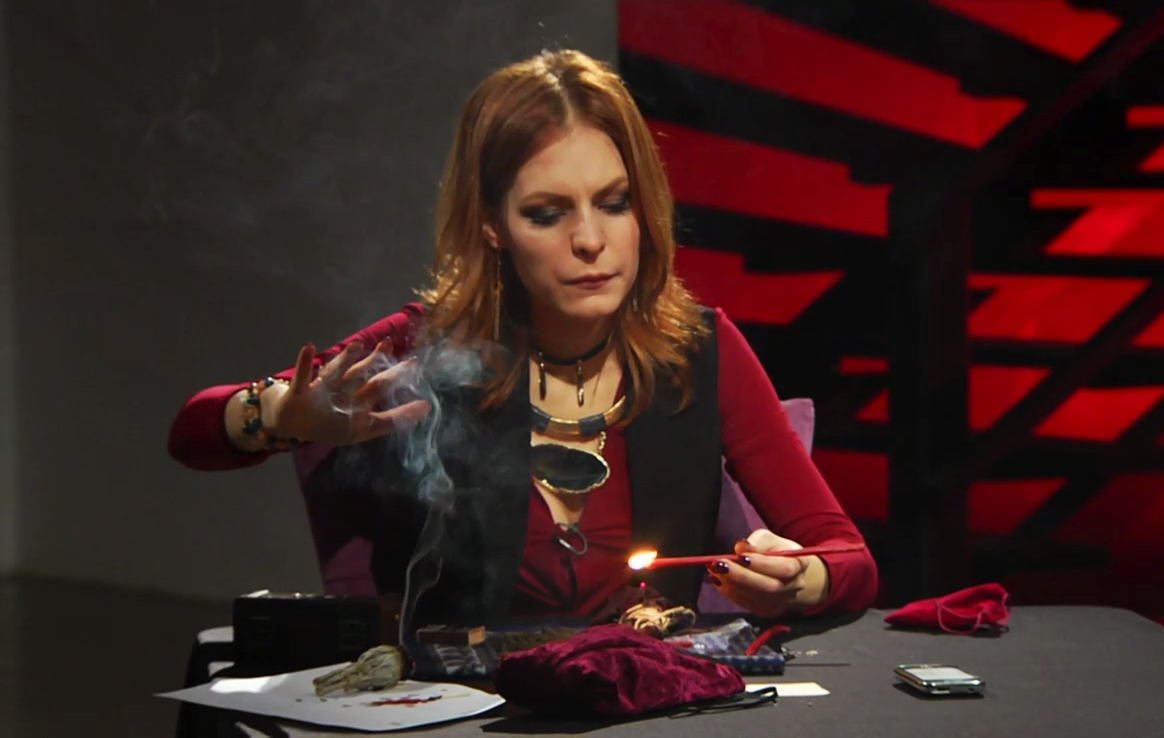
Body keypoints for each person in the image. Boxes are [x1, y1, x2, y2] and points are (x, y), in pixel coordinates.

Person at [168, 49, 877, 627]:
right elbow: (193, 432)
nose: (591, 240)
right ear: (492, 224)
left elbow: (850, 560)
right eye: (547, 213)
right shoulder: (430, 346)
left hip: (649, 707)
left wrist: (799, 579)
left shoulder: (700, 351)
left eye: (614, 203)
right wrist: (282, 415)